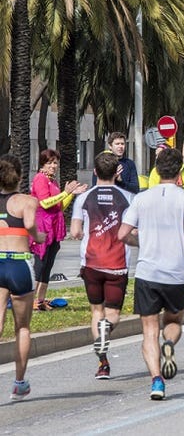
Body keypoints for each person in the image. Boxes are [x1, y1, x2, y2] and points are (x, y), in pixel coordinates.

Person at [117, 148, 184, 401]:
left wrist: (140, 241)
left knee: (149, 330)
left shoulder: (142, 199)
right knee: (174, 321)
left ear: (156, 170)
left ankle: (157, 381)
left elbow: (122, 233)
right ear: (179, 172)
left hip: (148, 271)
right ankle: (170, 345)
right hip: (177, 271)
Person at [69, 152, 134, 379]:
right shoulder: (128, 197)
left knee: (96, 310)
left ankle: (103, 364)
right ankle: (107, 328)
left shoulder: (83, 198)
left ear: (95, 172)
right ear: (117, 172)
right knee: (113, 313)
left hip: (91, 264)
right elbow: (133, 230)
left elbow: (75, 232)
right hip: (117, 264)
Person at [0, 155, 42, 401]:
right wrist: (40, 235)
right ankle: (19, 383)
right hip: (19, 264)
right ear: (19, 176)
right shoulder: (27, 201)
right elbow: (30, 226)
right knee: (22, 327)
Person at [30, 148, 87, 311]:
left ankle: (40, 300)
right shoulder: (40, 179)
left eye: (55, 162)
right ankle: (31, 299)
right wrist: (66, 192)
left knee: (48, 264)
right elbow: (45, 203)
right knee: (40, 264)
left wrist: (71, 194)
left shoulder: (53, 181)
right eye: (50, 163)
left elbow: (60, 206)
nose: (53, 166)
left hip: (55, 226)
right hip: (43, 226)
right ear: (42, 164)